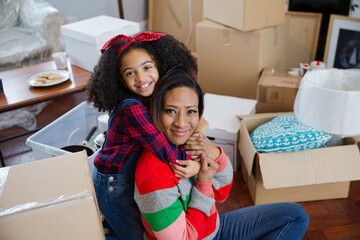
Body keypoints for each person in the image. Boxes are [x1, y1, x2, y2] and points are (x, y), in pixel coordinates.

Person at [134, 67, 310, 240]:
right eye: (171, 111)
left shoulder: (186, 141)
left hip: (212, 229)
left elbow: (222, 192)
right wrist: (203, 182)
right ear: (157, 112)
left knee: (295, 215)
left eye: (190, 112)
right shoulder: (153, 177)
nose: (181, 123)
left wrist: (212, 152)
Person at [86, 32, 205, 239]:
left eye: (147, 67)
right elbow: (165, 149)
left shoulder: (151, 97)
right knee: (134, 235)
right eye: (130, 73)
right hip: (114, 185)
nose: (141, 78)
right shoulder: (131, 108)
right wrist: (195, 164)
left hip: (126, 177)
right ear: (121, 80)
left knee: (137, 227)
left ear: (159, 66)